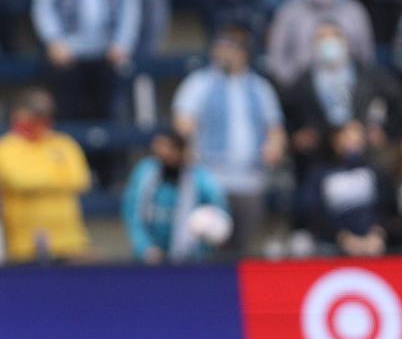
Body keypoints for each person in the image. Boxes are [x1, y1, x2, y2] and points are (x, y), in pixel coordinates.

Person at [173, 24, 286, 254]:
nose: (222, 54)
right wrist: (190, 128)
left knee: (243, 245)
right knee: (210, 243)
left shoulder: (259, 88)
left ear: (243, 54)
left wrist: (274, 146)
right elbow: (182, 119)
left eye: (229, 49)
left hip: (250, 178)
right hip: (212, 178)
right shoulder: (201, 83)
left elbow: (275, 129)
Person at [0, 88, 92, 263]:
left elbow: (80, 179)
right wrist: (58, 178)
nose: (40, 120)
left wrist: (39, 180)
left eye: (45, 114)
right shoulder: (3, 148)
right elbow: (20, 181)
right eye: (34, 114)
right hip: (24, 245)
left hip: (70, 242)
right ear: (17, 113)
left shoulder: (64, 143)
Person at [288, 21, 402, 184]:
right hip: (321, 160)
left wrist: (385, 130)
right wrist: (298, 135)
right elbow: (289, 115)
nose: (328, 42)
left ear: (345, 41)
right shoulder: (302, 82)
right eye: (322, 38)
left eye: (334, 36)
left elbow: (397, 98)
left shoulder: (367, 74)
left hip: (366, 157)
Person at [265, 0, 373, 91]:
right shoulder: (288, 12)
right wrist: (292, 88)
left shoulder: (354, 11)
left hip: (348, 84)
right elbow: (276, 58)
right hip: (301, 89)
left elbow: (366, 56)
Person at [121, 128, 229, 263]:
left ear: (180, 151)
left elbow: (219, 212)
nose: (161, 152)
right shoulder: (145, 173)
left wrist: (211, 232)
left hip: (191, 260)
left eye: (167, 147)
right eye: (158, 147)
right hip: (149, 259)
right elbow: (133, 213)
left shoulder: (200, 178)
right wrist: (145, 248)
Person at [298, 119, 392, 256]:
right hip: (332, 244)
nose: (354, 139)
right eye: (348, 134)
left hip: (373, 243)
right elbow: (312, 211)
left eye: (358, 133)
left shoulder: (375, 171)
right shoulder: (319, 173)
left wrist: (378, 234)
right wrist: (343, 238)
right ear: (335, 138)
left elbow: (387, 207)